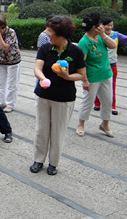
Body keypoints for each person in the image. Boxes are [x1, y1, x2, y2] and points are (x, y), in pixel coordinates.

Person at [30, 15, 86, 175]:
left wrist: (67, 76)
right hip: (43, 95)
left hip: (64, 98)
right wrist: (42, 78)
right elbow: (37, 68)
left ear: (61, 33)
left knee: (58, 131)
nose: (47, 34)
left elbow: (81, 74)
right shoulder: (45, 48)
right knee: (41, 129)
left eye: (50, 31)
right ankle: (38, 160)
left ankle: (53, 163)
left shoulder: (75, 52)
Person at [76, 13, 117, 138]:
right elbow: (81, 63)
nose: (102, 26)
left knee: (107, 100)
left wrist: (103, 35)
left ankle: (105, 124)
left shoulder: (100, 37)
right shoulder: (84, 42)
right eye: (100, 24)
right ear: (95, 27)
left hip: (106, 74)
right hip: (92, 77)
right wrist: (85, 81)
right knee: (88, 101)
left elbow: (113, 45)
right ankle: (81, 124)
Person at [93, 16, 127, 115]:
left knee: (112, 86)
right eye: (108, 25)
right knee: (97, 85)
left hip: (112, 65)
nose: (110, 27)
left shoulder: (115, 35)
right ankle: (97, 103)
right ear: (102, 25)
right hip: (99, 65)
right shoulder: (96, 36)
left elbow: (126, 39)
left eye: (112, 25)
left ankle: (112, 106)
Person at [0, 14, 21, 113]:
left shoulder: (11, 32)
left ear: (2, 26)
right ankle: (1, 102)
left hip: (13, 61)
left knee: (12, 84)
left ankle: (10, 104)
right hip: (1, 60)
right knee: (0, 83)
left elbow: (5, 47)